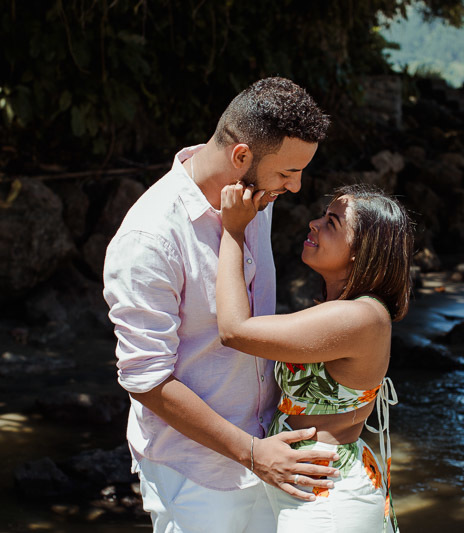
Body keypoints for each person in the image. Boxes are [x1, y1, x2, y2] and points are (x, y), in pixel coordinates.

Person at [103, 78, 339, 533]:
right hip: (197, 474)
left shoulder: (256, 198)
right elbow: (145, 379)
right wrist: (251, 453)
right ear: (241, 156)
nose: (296, 187)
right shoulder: (149, 239)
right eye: (288, 172)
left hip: (271, 448)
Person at [216, 182, 413, 532]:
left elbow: (234, 330)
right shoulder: (341, 311)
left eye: (332, 222)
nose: (314, 223)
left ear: (360, 251)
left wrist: (232, 230)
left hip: (329, 496)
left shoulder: (360, 317)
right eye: (323, 216)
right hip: (311, 484)